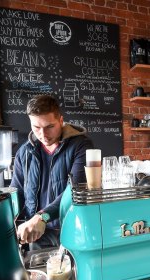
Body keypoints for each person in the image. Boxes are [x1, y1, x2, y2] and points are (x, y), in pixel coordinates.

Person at [11, 94, 93, 249]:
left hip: (70, 230)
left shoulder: (81, 146)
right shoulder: (24, 153)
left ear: (61, 121)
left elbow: (75, 190)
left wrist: (42, 217)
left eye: (49, 127)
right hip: (36, 234)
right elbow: (18, 192)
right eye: (36, 128)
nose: (43, 134)